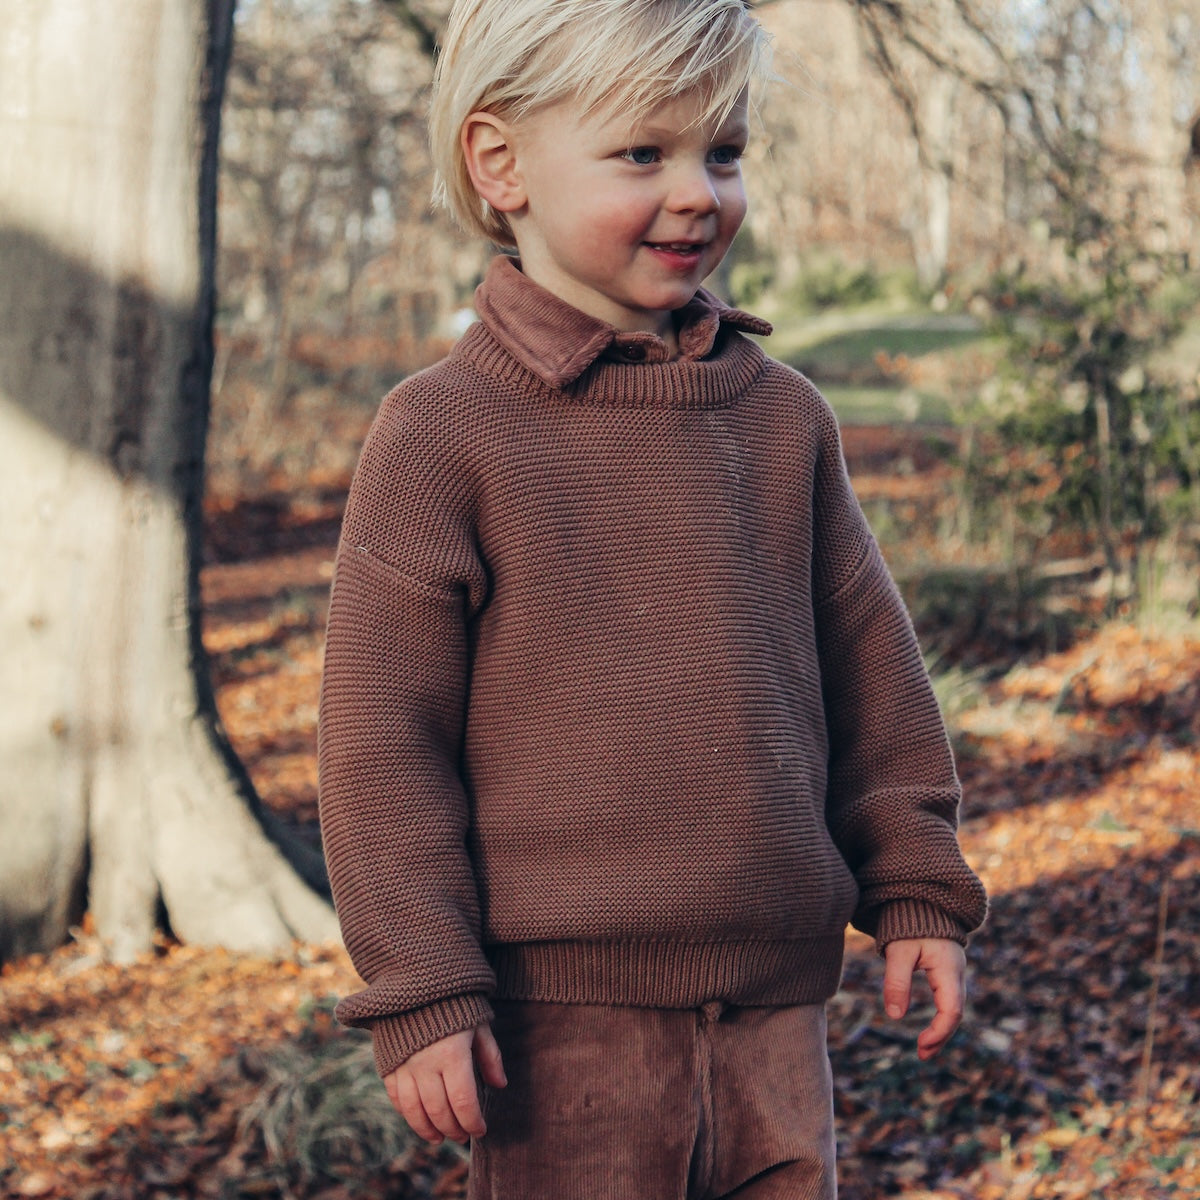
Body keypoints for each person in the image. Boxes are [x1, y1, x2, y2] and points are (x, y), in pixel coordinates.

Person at [317, 1, 988, 1196]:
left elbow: (871, 672)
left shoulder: (782, 420)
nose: (698, 193)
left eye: (722, 153)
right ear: (500, 162)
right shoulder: (441, 435)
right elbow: (383, 743)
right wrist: (422, 983)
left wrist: (917, 887)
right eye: (644, 153)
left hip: (777, 1007)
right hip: (556, 1021)